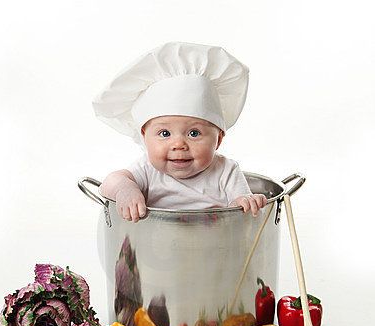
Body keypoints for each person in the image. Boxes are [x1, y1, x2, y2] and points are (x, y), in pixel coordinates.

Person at [93, 41, 267, 222]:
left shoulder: (226, 171)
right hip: (151, 245)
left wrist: (247, 202)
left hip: (216, 246)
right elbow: (110, 182)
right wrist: (125, 190)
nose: (179, 145)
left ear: (218, 140)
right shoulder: (147, 169)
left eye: (194, 133)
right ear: (144, 137)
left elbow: (239, 208)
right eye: (165, 134)